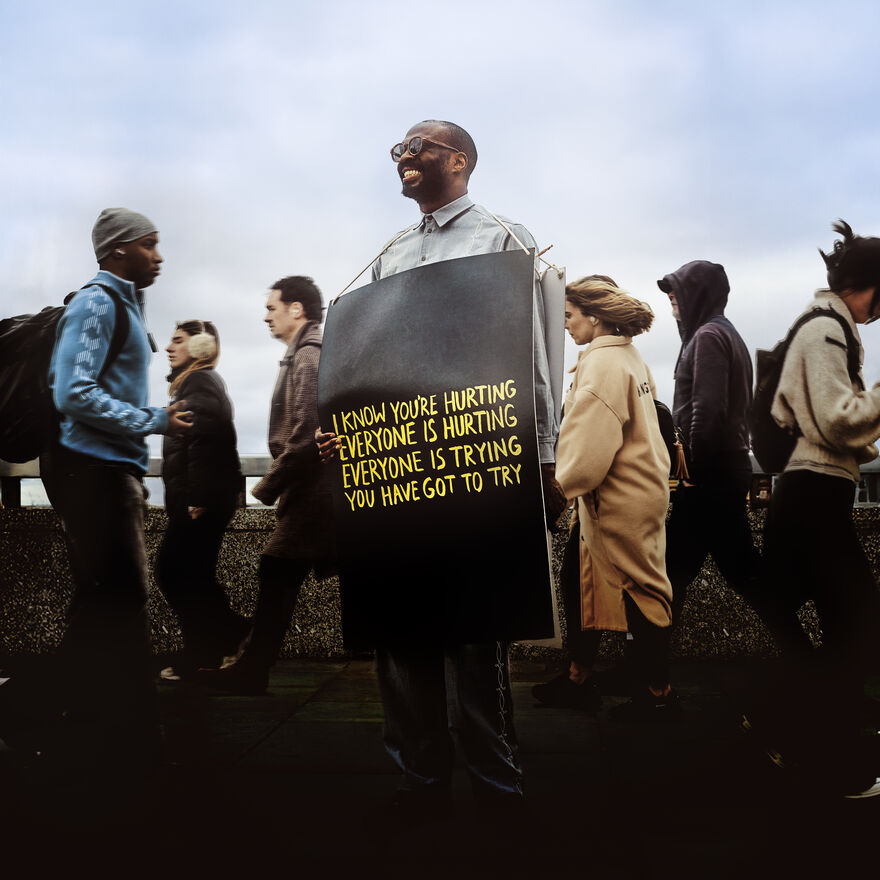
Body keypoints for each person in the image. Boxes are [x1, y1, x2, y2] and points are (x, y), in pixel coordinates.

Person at [318, 119, 564, 819]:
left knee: (474, 634)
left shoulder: (502, 239)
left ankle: (497, 787)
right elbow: (368, 367)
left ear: (458, 160)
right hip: (397, 474)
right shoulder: (387, 255)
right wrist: (343, 428)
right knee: (398, 633)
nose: (402, 154)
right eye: (398, 147)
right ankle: (420, 783)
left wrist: (542, 460)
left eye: (417, 144)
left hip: (475, 471)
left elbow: (536, 368)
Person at [44, 208, 191, 805]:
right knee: (120, 597)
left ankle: (112, 734)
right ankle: (33, 704)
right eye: (150, 245)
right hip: (94, 471)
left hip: (112, 470)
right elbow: (72, 392)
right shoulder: (99, 303)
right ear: (118, 250)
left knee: (109, 599)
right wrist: (152, 420)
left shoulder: (125, 304)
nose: (159, 255)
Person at [757, 221, 880, 798]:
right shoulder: (829, 330)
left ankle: (783, 729)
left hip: (802, 496)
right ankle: (835, 761)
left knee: (814, 622)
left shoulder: (820, 326)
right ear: (868, 284)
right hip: (815, 496)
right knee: (857, 627)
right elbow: (836, 419)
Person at [533, 276, 677, 718]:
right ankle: (579, 677)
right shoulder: (627, 356)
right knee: (583, 586)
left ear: (594, 317)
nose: (565, 325)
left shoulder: (602, 367)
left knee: (643, 596)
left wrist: (554, 496)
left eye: (570, 316)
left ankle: (658, 697)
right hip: (628, 494)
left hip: (617, 499)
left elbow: (588, 451)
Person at [203, 276, 334, 695]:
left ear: (297, 309)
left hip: (314, 492)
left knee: (276, 569)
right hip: (312, 490)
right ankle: (252, 667)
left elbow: (307, 431)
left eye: (272, 307)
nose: (266, 315)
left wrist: (265, 488)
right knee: (278, 572)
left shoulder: (309, 354)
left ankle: (252, 669)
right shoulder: (303, 353)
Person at [657, 260, 766, 628]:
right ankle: (809, 661)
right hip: (724, 469)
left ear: (699, 294)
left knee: (673, 575)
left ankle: (647, 672)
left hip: (710, 474)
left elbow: (706, 411)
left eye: (678, 288)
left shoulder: (707, 337)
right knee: (735, 573)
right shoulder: (724, 333)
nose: (671, 295)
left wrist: (693, 474)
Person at [155, 320, 249, 682]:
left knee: (176, 573)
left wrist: (197, 497)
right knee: (192, 577)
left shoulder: (200, 383)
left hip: (200, 501)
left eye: (178, 340)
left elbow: (207, 439)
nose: (168, 347)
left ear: (200, 347)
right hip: (202, 499)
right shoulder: (194, 384)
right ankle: (209, 650)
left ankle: (231, 636)